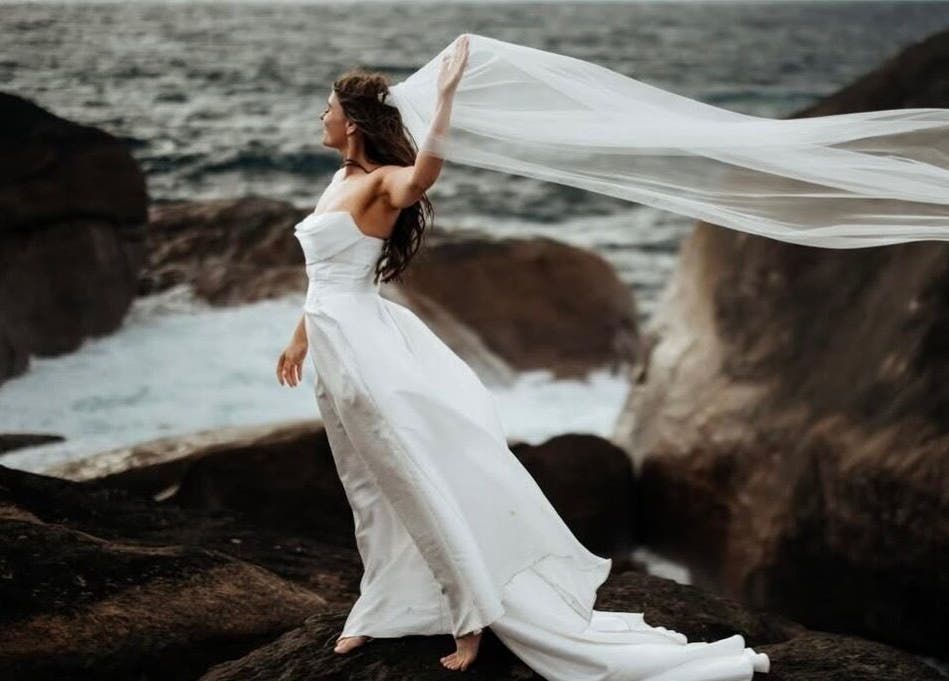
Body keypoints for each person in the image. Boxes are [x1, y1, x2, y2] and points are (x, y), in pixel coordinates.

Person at [276, 34, 771, 680]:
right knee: (366, 484)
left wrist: (446, 98)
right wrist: (298, 336)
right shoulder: (339, 180)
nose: (321, 117)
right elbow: (327, 275)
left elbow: (423, 174)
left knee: (410, 473)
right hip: (334, 342)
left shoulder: (380, 183)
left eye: (327, 109)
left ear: (353, 121)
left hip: (370, 351)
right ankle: (384, 603)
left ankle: (471, 615)